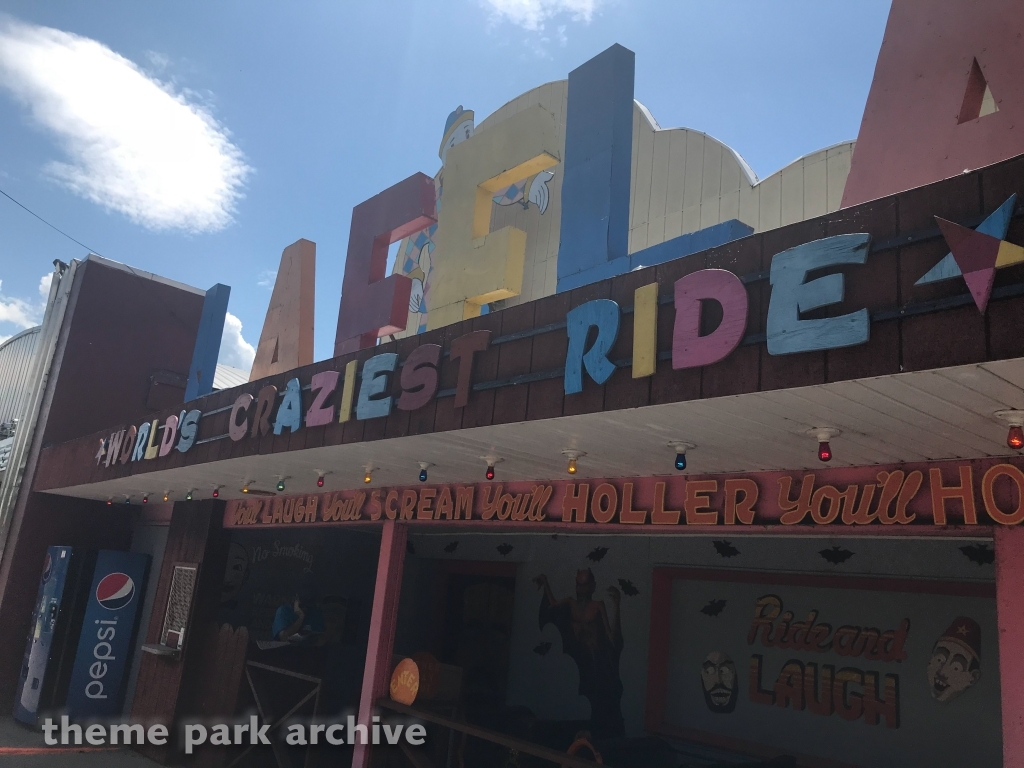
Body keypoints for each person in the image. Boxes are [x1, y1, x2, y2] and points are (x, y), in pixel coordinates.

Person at [533, 569, 624, 738]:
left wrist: (617, 605)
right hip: (578, 657)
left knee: (600, 697)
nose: (580, 589)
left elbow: (611, 635)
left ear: (592, 586)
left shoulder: (597, 606)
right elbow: (552, 604)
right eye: (578, 585)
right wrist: (545, 582)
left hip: (596, 656)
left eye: (584, 585)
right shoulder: (570, 603)